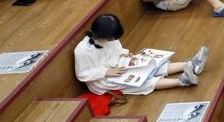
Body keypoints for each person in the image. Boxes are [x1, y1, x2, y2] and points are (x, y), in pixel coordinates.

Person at [74, 13, 208, 94]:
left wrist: (124, 54)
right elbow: (83, 74)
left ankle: (190, 64)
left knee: (149, 64)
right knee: (141, 80)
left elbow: (117, 49)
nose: (113, 40)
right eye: (111, 38)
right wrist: (106, 72)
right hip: (102, 80)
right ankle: (181, 81)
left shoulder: (109, 36)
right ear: (102, 35)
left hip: (118, 65)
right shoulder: (83, 50)